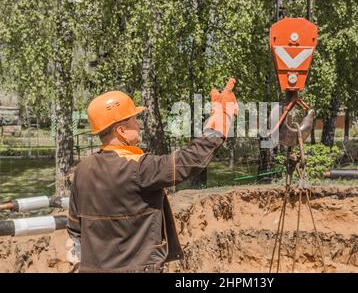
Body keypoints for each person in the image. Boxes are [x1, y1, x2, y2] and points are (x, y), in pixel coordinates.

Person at [67, 79, 238, 273]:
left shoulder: (83, 169)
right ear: (121, 131)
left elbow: (74, 228)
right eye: (133, 120)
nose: (138, 125)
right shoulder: (139, 169)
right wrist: (222, 119)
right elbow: (190, 160)